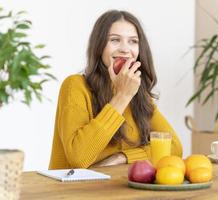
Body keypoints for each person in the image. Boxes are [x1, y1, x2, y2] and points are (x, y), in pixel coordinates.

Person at [49, 10, 183, 169]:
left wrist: (122, 157)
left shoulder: (138, 93)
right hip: (73, 191)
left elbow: (174, 146)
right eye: (115, 40)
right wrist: (122, 96)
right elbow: (79, 158)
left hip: (118, 189)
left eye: (133, 41)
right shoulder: (75, 86)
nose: (125, 49)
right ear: (99, 46)